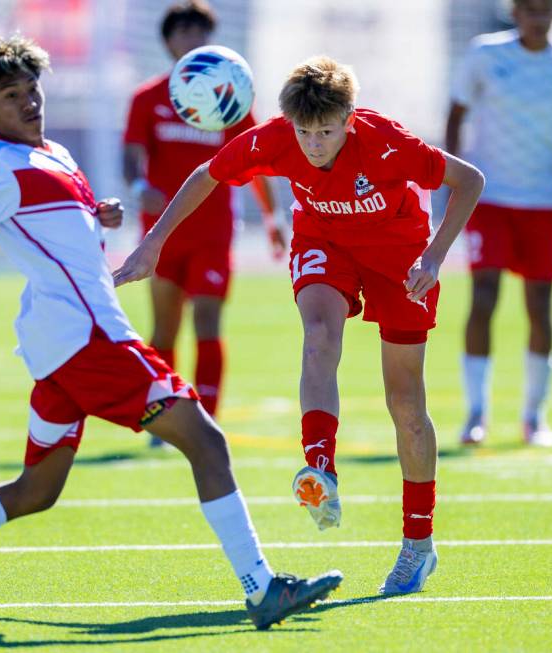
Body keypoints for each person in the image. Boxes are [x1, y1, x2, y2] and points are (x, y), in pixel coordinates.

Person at [0, 34, 342, 634]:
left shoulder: (54, 153)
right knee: (208, 442)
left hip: (61, 346)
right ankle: (261, 588)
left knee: (38, 489)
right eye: (12, 96)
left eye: (32, 89)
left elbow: (59, 232)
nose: (29, 102)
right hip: (91, 342)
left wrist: (99, 215)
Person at [115, 55, 485, 595]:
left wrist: (433, 256)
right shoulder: (275, 138)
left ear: (351, 119)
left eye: (327, 132)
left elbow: (469, 180)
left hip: (400, 255)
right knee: (319, 338)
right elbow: (208, 173)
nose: (314, 143)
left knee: (406, 405)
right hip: (324, 241)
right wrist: (153, 243)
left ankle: (418, 546)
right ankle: (320, 469)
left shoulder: (387, 142)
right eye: (305, 132)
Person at [123, 1, 285, 439]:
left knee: (209, 321)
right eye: (184, 32)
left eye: (201, 33)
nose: (193, 41)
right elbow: (132, 157)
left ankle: (206, 417)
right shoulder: (147, 98)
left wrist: (273, 219)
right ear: (168, 40)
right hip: (161, 235)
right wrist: (139, 188)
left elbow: (258, 161)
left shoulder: (229, 98)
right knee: (164, 327)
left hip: (213, 232)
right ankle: (164, 416)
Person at [446, 0, 552, 448]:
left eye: (545, 8)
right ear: (515, 12)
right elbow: (455, 116)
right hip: (488, 196)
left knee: (540, 305)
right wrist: (451, 178)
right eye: (529, 8)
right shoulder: (484, 54)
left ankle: (534, 416)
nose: (537, 16)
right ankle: (476, 413)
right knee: (484, 296)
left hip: (543, 200)